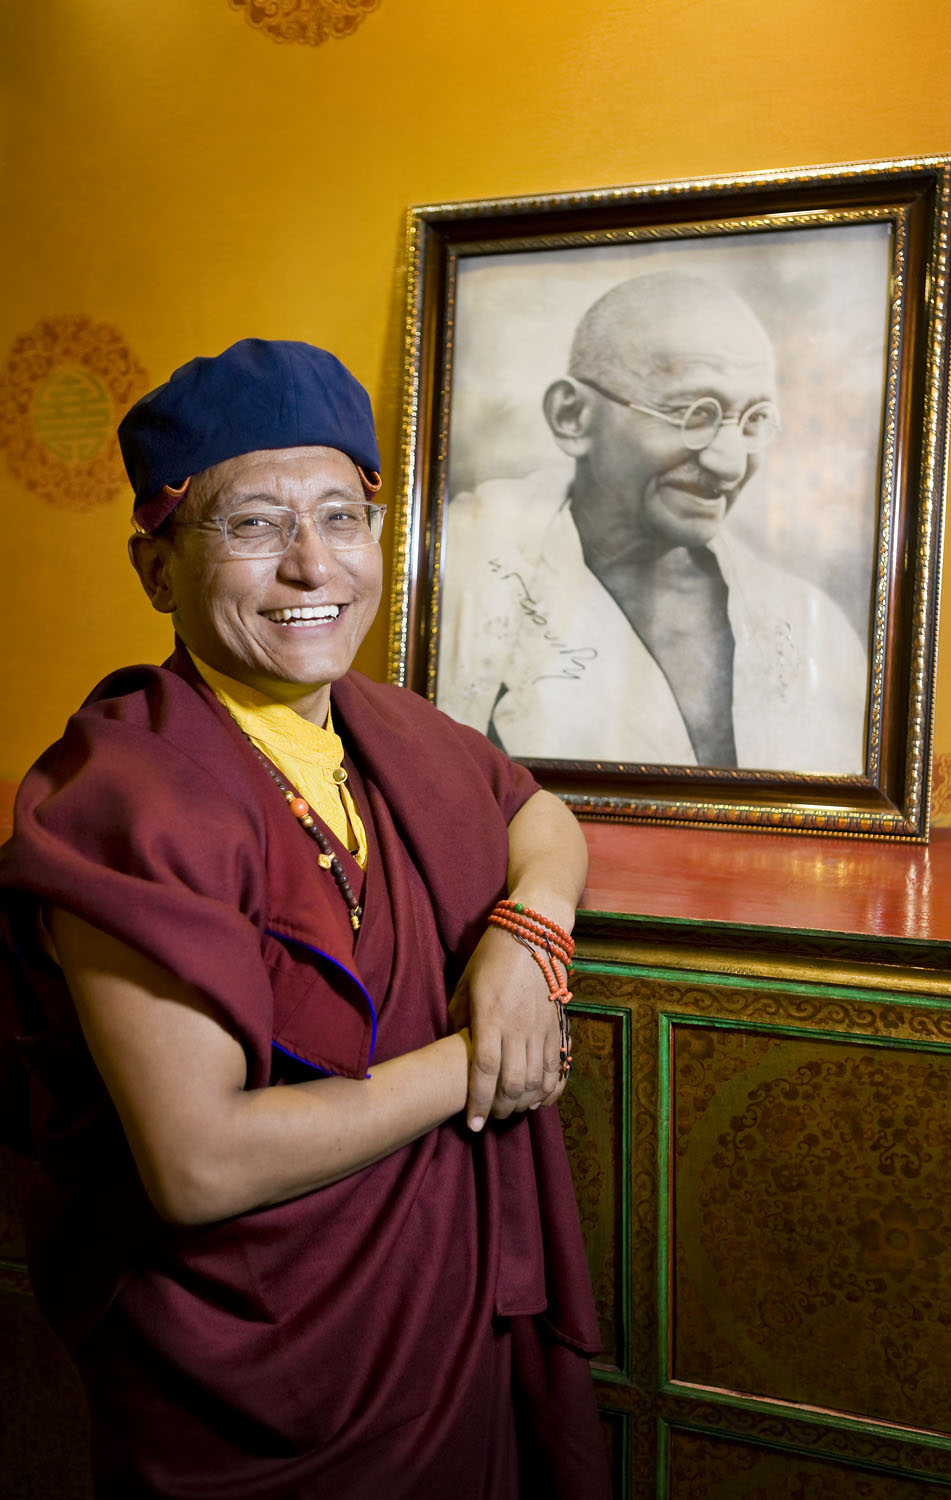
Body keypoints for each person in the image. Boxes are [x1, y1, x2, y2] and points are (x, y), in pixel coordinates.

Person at [0, 339, 611, 1499]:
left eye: (342, 516)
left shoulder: (387, 731)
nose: (310, 565)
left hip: (437, 1319)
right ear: (156, 566)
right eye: (252, 526)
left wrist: (530, 935)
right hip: (256, 1370)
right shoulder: (124, 800)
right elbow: (197, 1164)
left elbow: (540, 816)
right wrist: (486, 1059)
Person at [437, 269, 869, 774]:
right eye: (693, 412)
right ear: (572, 417)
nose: (730, 464)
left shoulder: (810, 628)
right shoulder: (459, 574)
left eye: (754, 420)